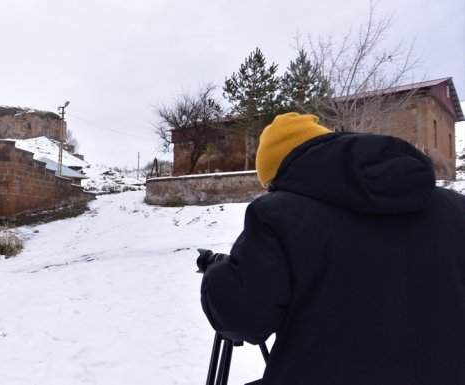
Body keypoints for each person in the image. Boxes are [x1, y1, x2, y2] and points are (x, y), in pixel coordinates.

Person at [198, 112, 465, 385]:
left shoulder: (277, 216)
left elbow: (243, 318)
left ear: (279, 175)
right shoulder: (455, 208)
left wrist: (216, 274)